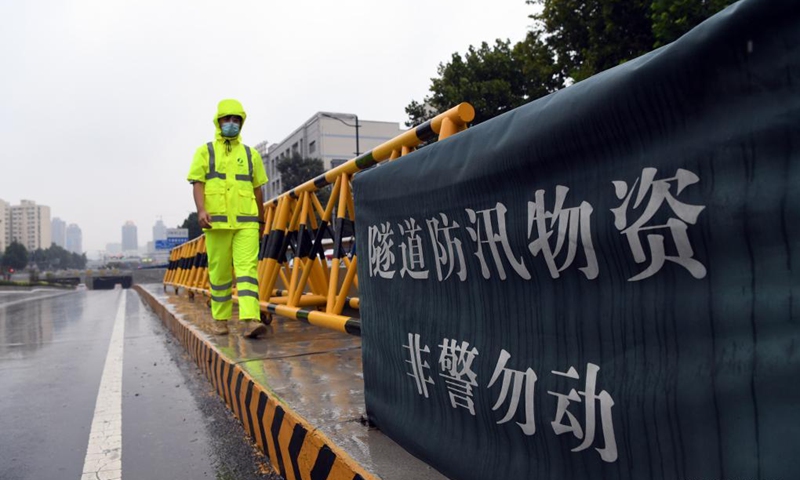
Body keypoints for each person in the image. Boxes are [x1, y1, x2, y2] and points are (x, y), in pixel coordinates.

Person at [187, 99, 268, 338]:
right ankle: (220, 320)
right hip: (216, 223)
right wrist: (201, 210)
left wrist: (261, 221)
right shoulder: (206, 151)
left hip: (246, 223)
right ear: (218, 121)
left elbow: (258, 189)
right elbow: (197, 183)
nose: (232, 124)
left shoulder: (251, 154)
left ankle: (250, 320)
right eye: (227, 119)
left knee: (247, 271)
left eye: (236, 120)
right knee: (220, 274)